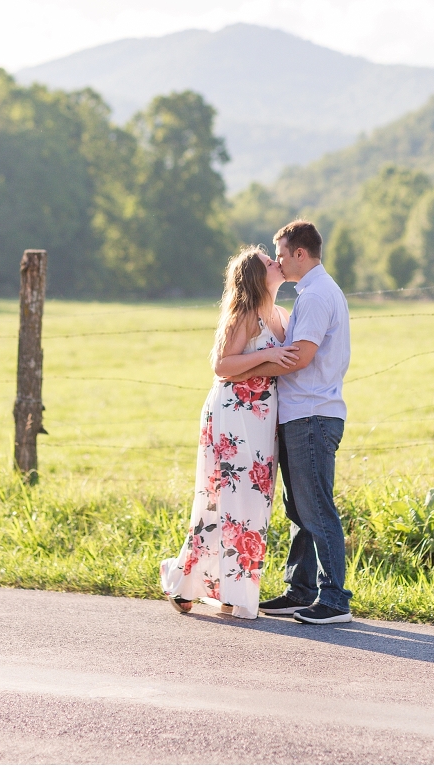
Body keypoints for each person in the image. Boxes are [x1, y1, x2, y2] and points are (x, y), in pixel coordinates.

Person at [159, 247, 299, 619]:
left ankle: (206, 584)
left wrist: (264, 362)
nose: (277, 263)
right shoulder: (245, 315)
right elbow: (222, 366)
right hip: (233, 416)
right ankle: (197, 583)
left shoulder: (281, 317)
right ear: (257, 276)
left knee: (253, 503)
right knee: (223, 500)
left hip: (262, 419)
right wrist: (265, 359)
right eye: (271, 262)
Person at [226, 220, 353, 624]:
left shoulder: (316, 296)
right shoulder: (311, 293)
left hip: (312, 415)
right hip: (301, 414)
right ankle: (300, 591)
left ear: (301, 253)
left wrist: (248, 369)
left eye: (281, 253)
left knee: (317, 509)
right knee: (299, 509)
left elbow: (300, 357)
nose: (278, 261)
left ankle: (334, 599)